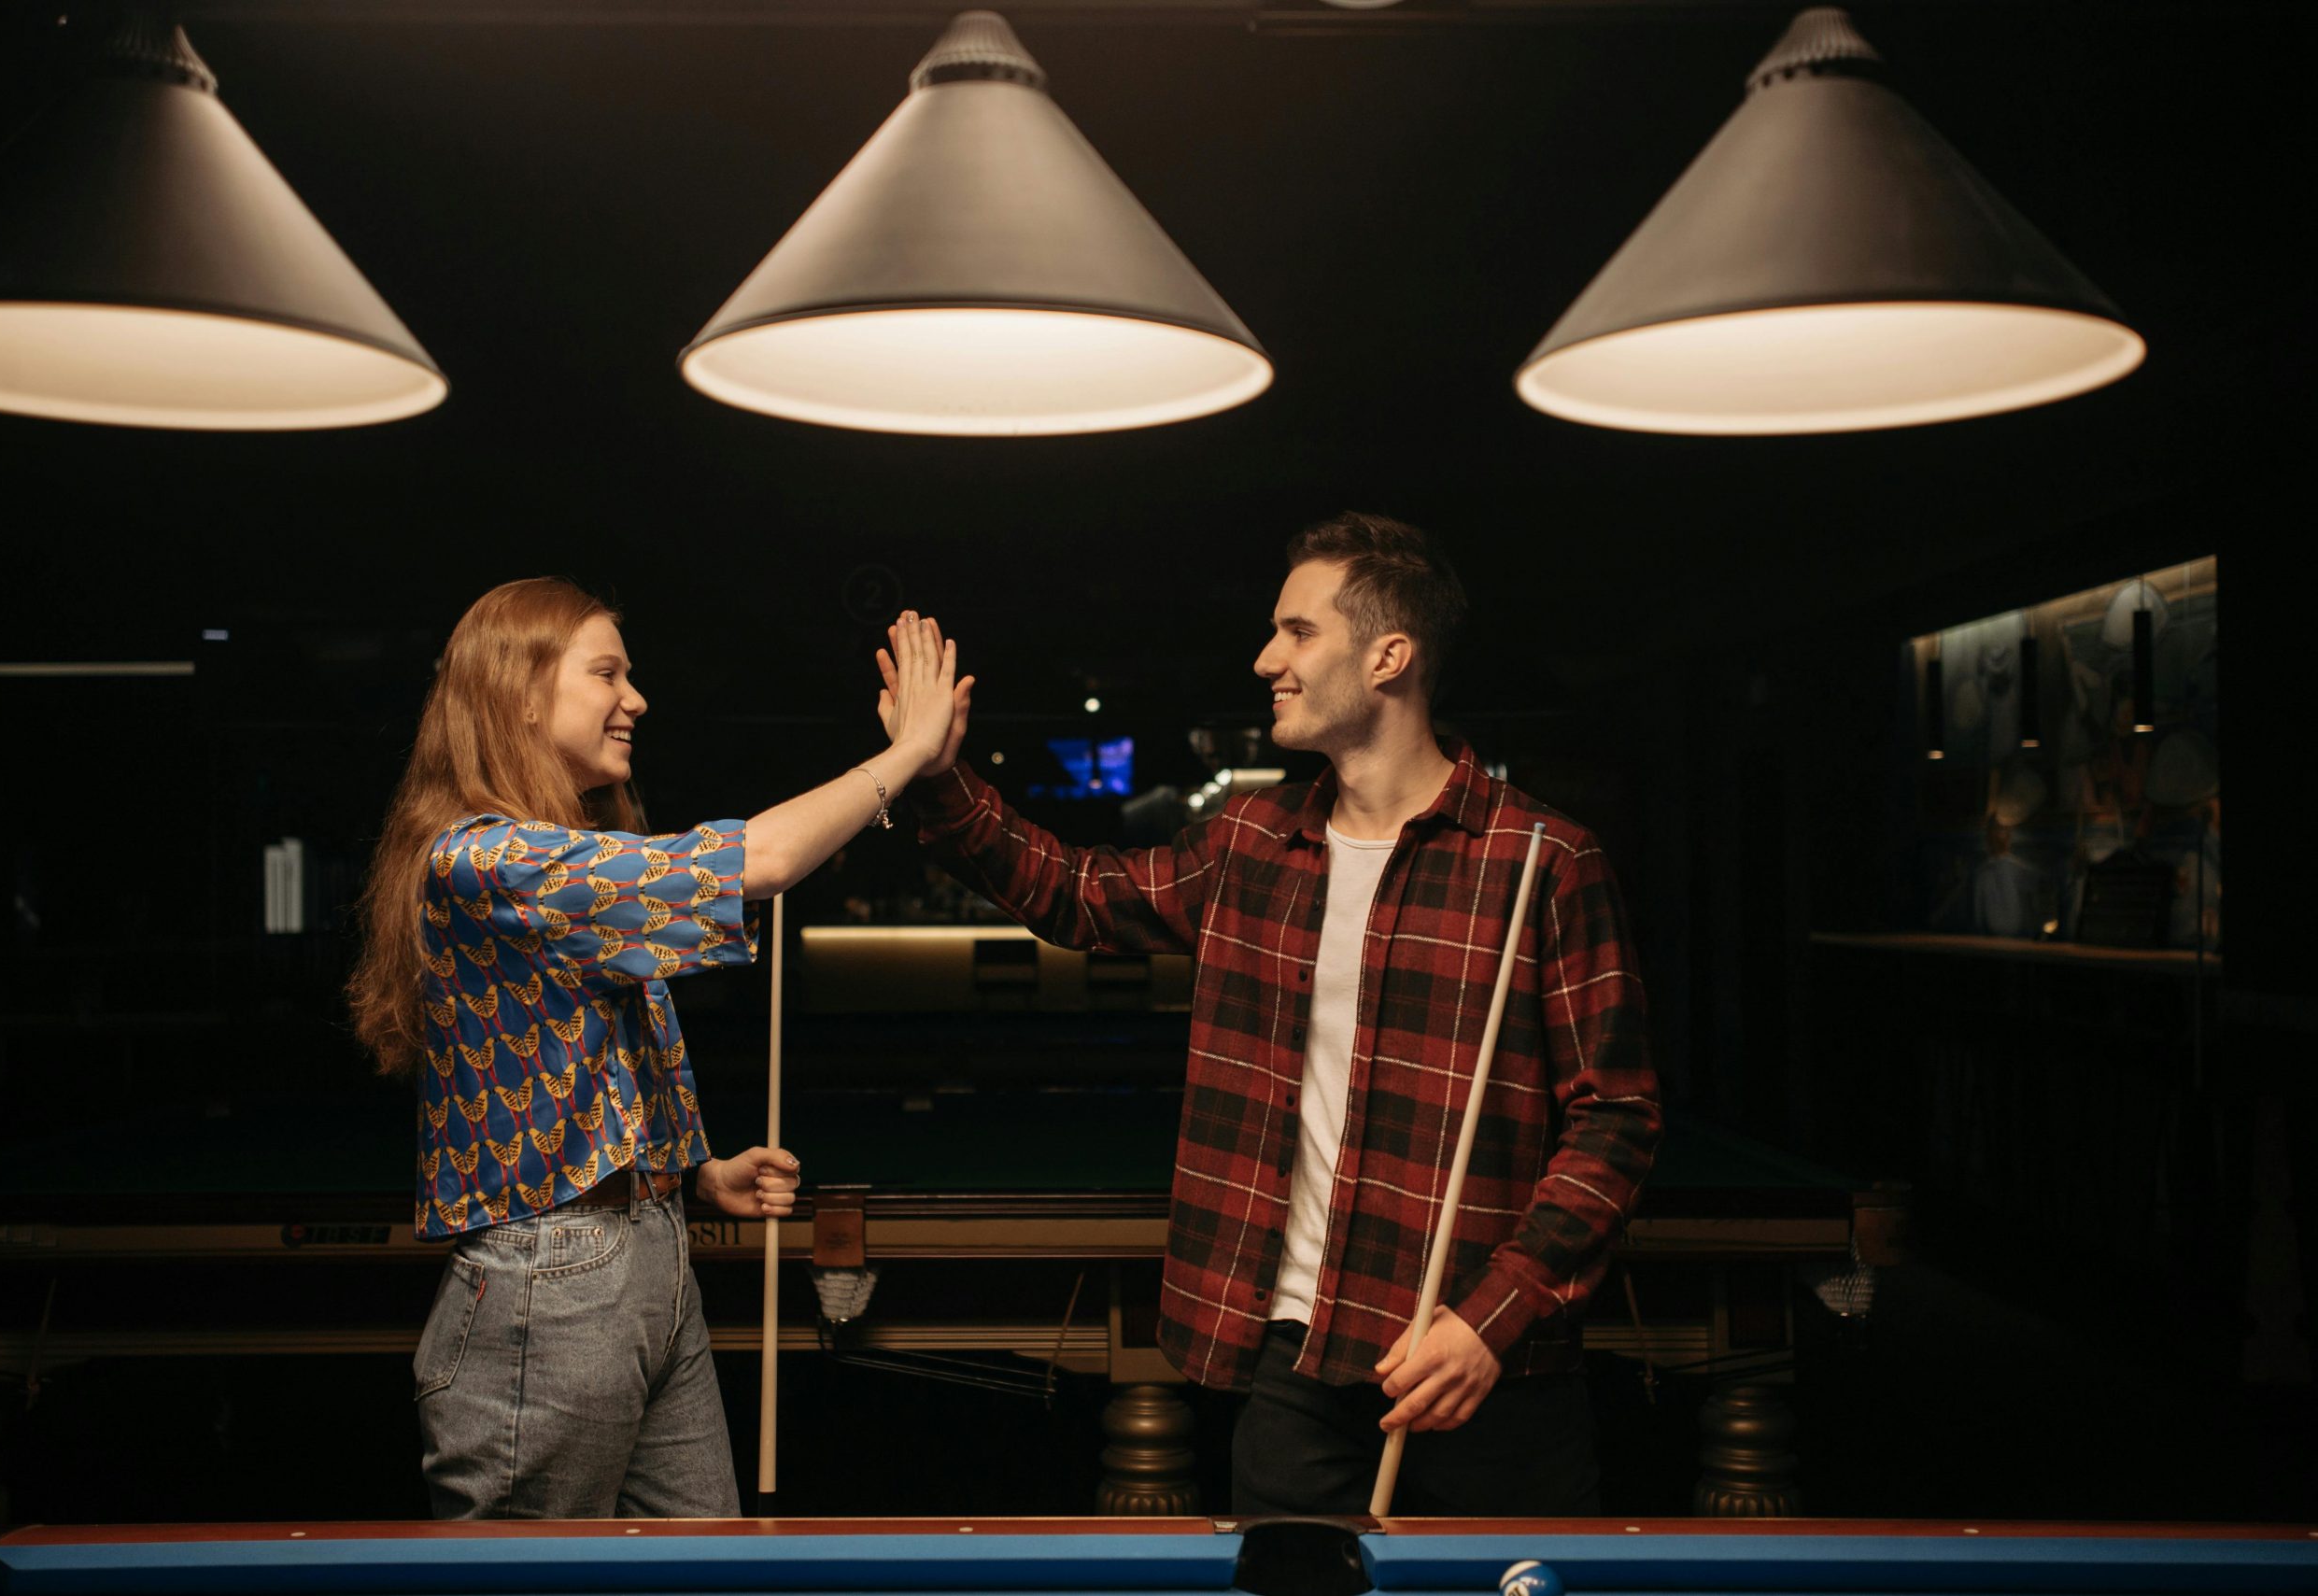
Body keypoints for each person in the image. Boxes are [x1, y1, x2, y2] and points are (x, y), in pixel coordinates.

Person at [879, 514, 1659, 1516]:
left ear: (1389, 655)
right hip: (1295, 1358)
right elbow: (1074, 890)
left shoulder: (1541, 859)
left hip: (1476, 1363)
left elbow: (1617, 1119)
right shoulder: (1250, 840)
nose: (1266, 660)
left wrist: (1489, 1316)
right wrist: (939, 774)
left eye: (1297, 632)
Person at [347, 579, 962, 1518]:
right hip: (550, 1283)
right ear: (517, 693)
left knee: (700, 1568)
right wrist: (906, 752)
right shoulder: (486, 859)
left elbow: (586, 1053)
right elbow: (756, 862)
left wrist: (690, 1169)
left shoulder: (553, 850)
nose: (635, 699)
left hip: (643, 1254)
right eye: (606, 673)